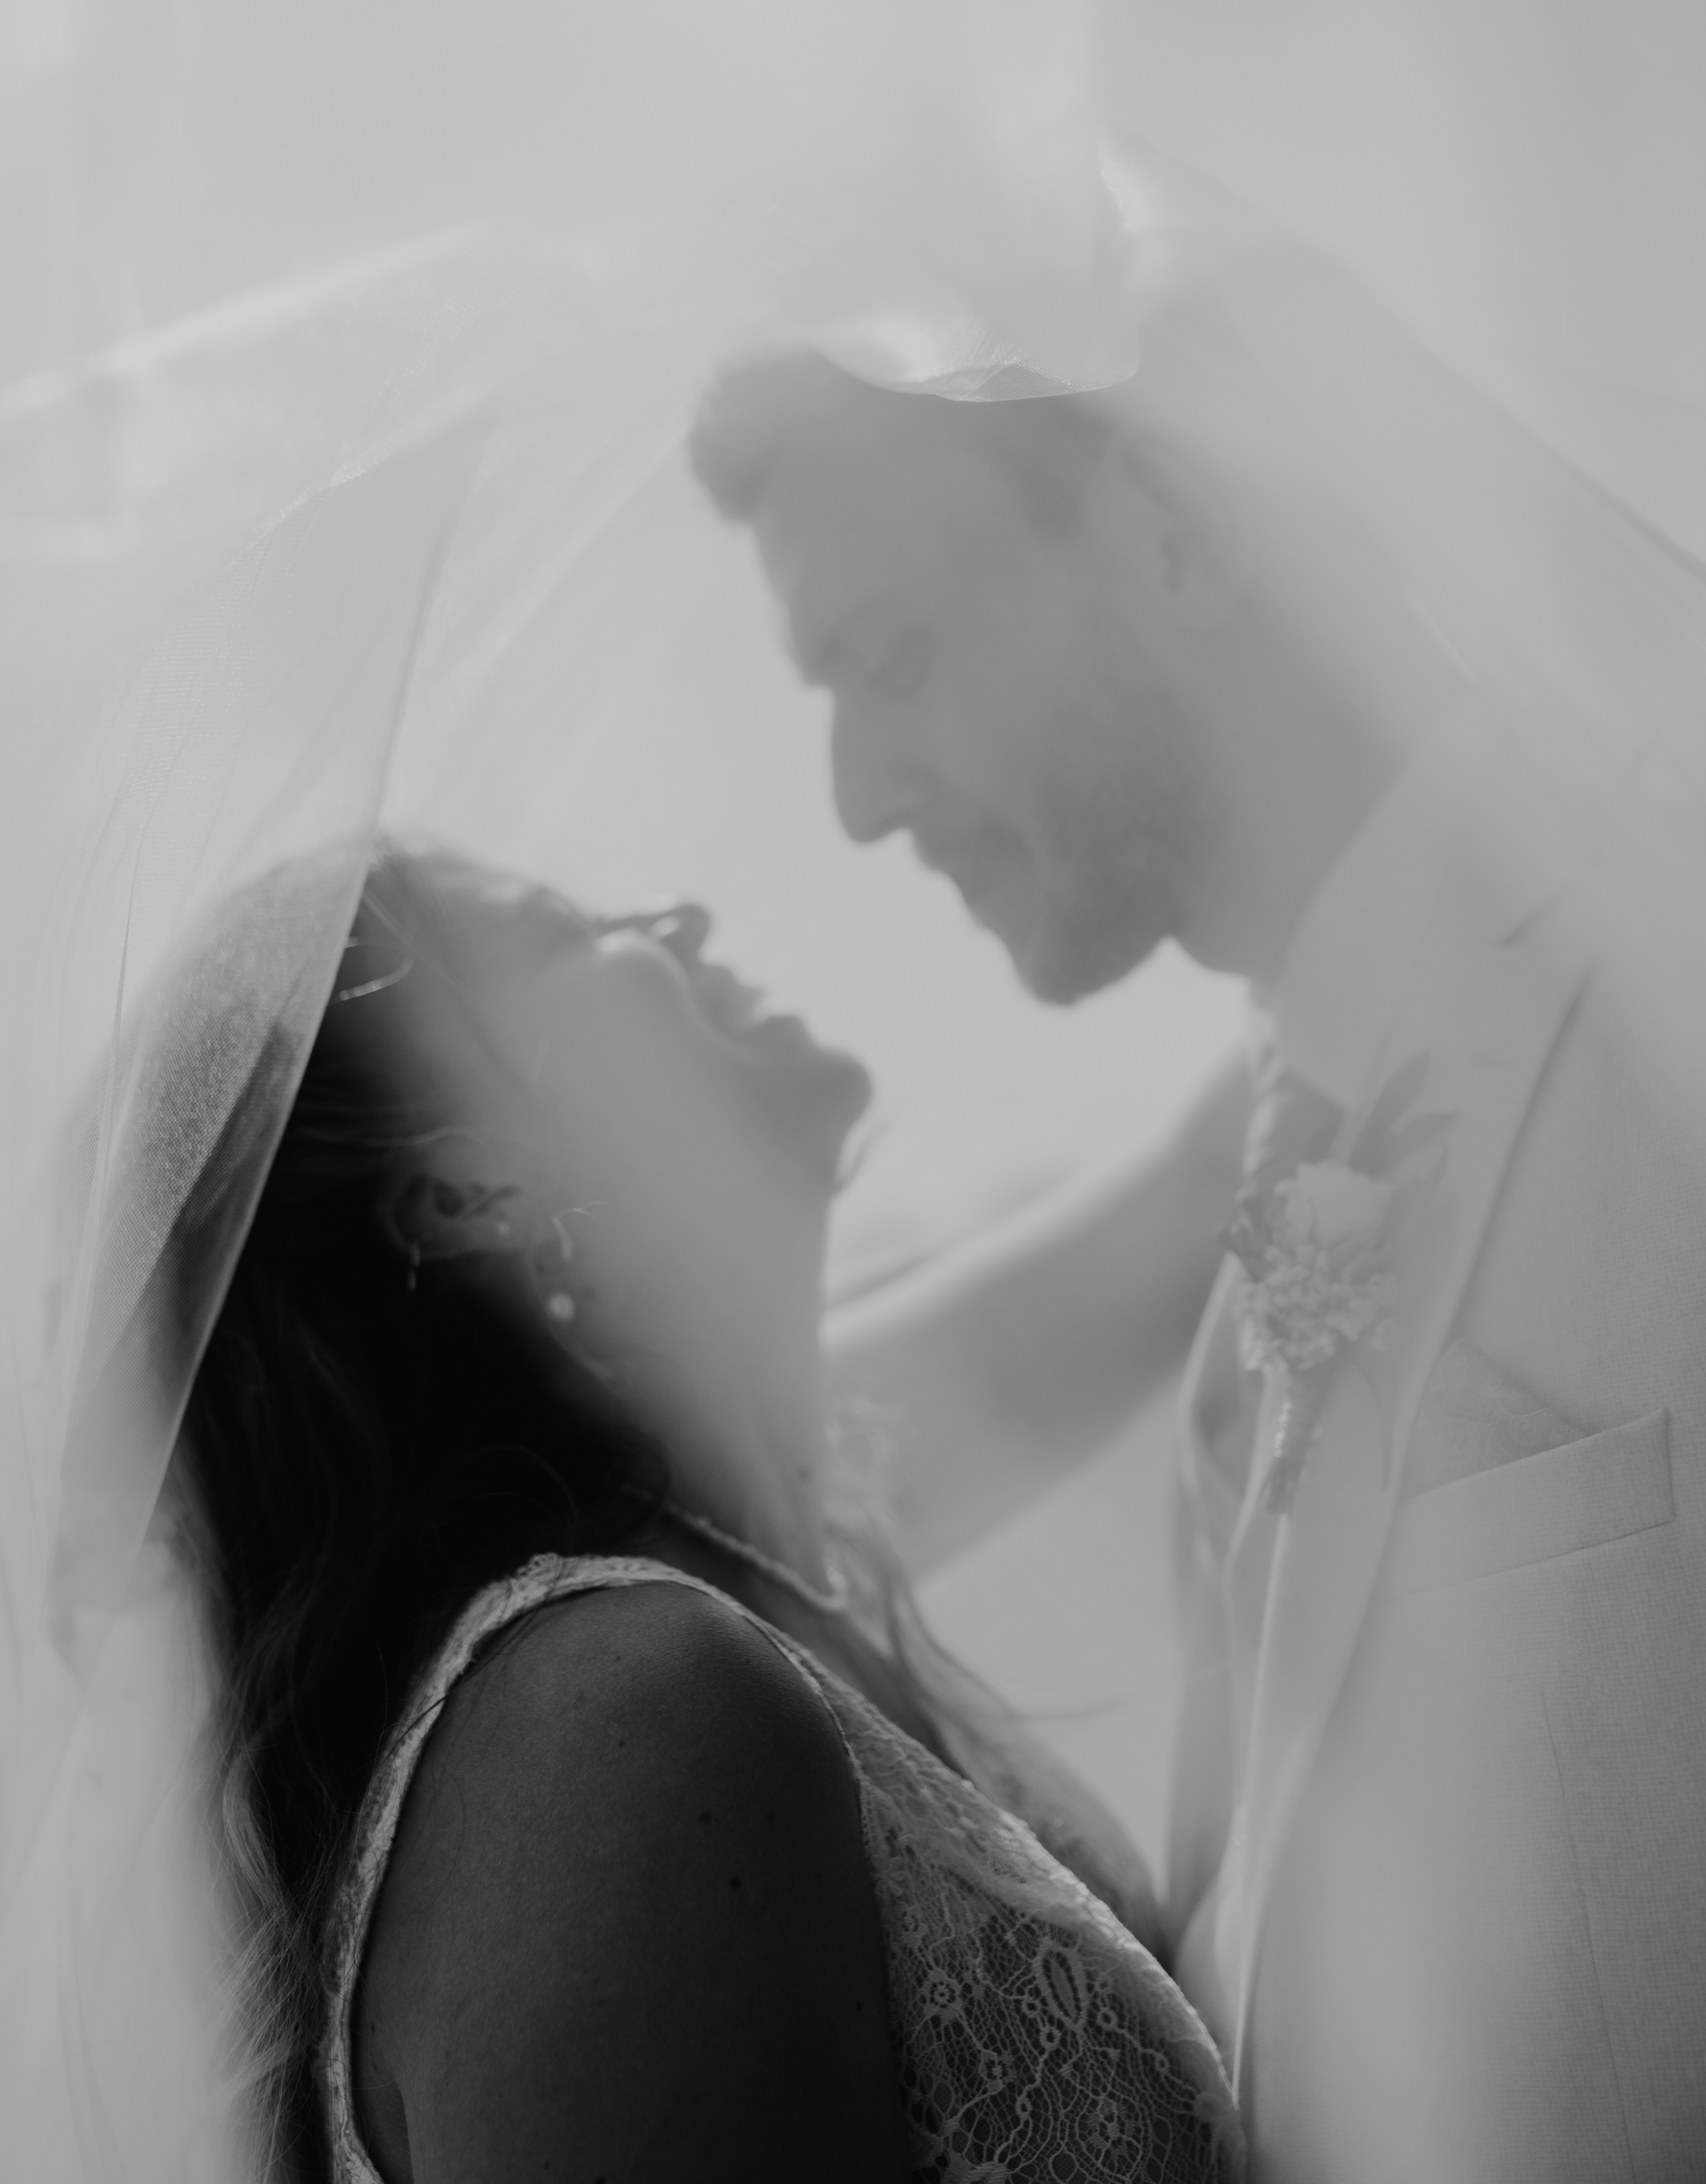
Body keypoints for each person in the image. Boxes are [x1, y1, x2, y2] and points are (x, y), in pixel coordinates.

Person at [691, 330, 1706, 2179]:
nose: (854, 798)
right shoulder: (1258, 1174)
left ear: (1169, 528)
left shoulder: (1660, 979)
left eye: (893, 656)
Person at [172, 846, 1243, 2183]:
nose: (683, 916)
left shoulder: (772, 1506)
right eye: (576, 929)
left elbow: (1206, 1187)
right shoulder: (610, 1725)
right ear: (469, 1190)